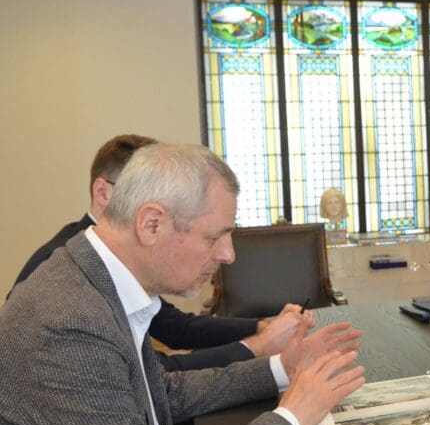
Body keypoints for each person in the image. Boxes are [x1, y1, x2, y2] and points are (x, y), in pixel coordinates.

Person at [0, 143, 366, 425]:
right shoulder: (68, 324)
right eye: (215, 236)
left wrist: (281, 367)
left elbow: (162, 393)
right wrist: (291, 419)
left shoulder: (96, 281)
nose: (228, 254)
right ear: (151, 224)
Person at [7, 134, 306, 372]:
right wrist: (258, 347)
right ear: (103, 192)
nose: (228, 255)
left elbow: (174, 331)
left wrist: (260, 328)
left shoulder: (106, 261)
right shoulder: (69, 288)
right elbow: (159, 378)